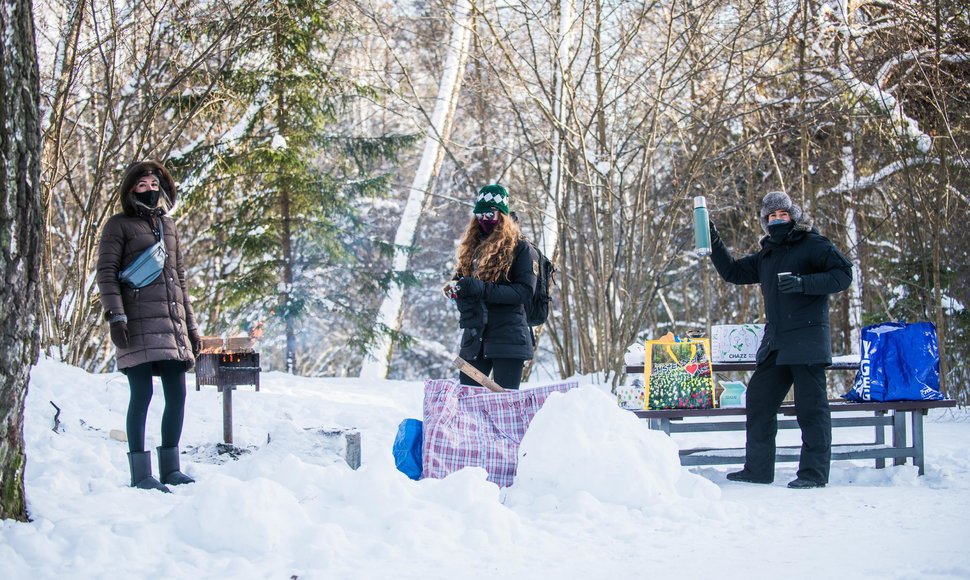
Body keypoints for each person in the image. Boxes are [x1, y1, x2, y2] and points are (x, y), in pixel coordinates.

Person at [708, 191, 853, 489]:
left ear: (793, 216)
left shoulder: (814, 243)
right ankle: (758, 470)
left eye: (782, 215)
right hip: (776, 343)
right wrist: (711, 240)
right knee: (759, 402)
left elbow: (843, 275)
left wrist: (804, 283)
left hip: (807, 341)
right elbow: (733, 272)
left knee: (811, 411)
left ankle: (812, 474)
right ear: (765, 221)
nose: (777, 220)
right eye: (771, 216)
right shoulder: (768, 254)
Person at [96, 160, 200, 493]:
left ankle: (170, 469)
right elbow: (107, 274)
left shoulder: (168, 226)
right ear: (130, 190)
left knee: (178, 394)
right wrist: (116, 316)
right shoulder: (118, 225)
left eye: (155, 184)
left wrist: (192, 327)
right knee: (142, 394)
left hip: (171, 325)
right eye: (142, 185)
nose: (150, 190)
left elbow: (178, 279)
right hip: (135, 323)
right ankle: (140, 472)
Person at [444, 184, 538, 390]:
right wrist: (456, 289)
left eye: (490, 213)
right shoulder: (472, 248)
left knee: (505, 405)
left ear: (502, 215)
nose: (483, 219)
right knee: (467, 401)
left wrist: (480, 288)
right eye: (479, 213)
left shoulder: (521, 248)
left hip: (509, 340)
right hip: (474, 340)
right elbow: (463, 283)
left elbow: (524, 292)